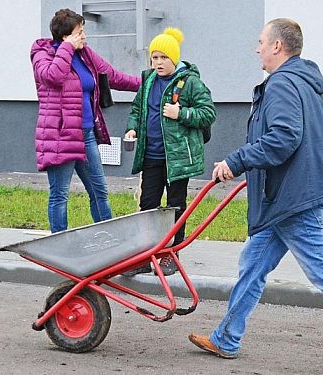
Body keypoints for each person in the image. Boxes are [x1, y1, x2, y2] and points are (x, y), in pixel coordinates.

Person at [188, 18, 323, 374]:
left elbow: (283, 139)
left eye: (261, 42)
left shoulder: (282, 84)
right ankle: (227, 337)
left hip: (294, 198)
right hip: (283, 196)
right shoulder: (302, 81)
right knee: (252, 266)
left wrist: (237, 161)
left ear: (278, 46)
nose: (257, 49)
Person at [30, 9, 140, 233]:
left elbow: (113, 76)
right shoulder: (42, 54)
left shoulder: (86, 55)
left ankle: (107, 241)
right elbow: (54, 76)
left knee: (99, 191)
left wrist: (147, 82)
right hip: (60, 136)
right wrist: (67, 49)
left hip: (86, 135)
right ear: (66, 36)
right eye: (80, 33)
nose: (84, 37)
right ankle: (58, 243)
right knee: (60, 195)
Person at [123, 28, 216, 276]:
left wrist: (181, 113)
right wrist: (133, 128)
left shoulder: (190, 82)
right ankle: (145, 256)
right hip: (151, 156)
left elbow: (208, 113)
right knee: (148, 206)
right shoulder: (148, 80)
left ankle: (170, 255)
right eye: (154, 57)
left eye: (164, 58)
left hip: (177, 159)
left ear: (174, 59)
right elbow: (137, 110)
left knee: (175, 206)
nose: (158, 63)